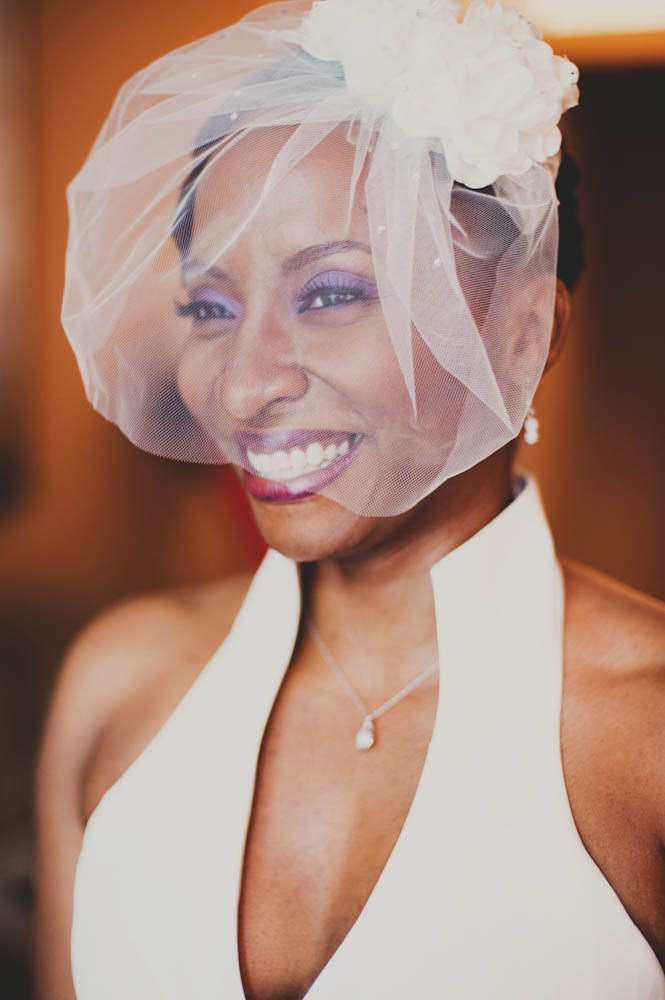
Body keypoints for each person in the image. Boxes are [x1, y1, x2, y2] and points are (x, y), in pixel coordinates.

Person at [33, 1, 665, 997]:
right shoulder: (118, 684)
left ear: (521, 335)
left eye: (330, 293)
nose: (242, 387)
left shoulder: (646, 732)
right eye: (209, 306)